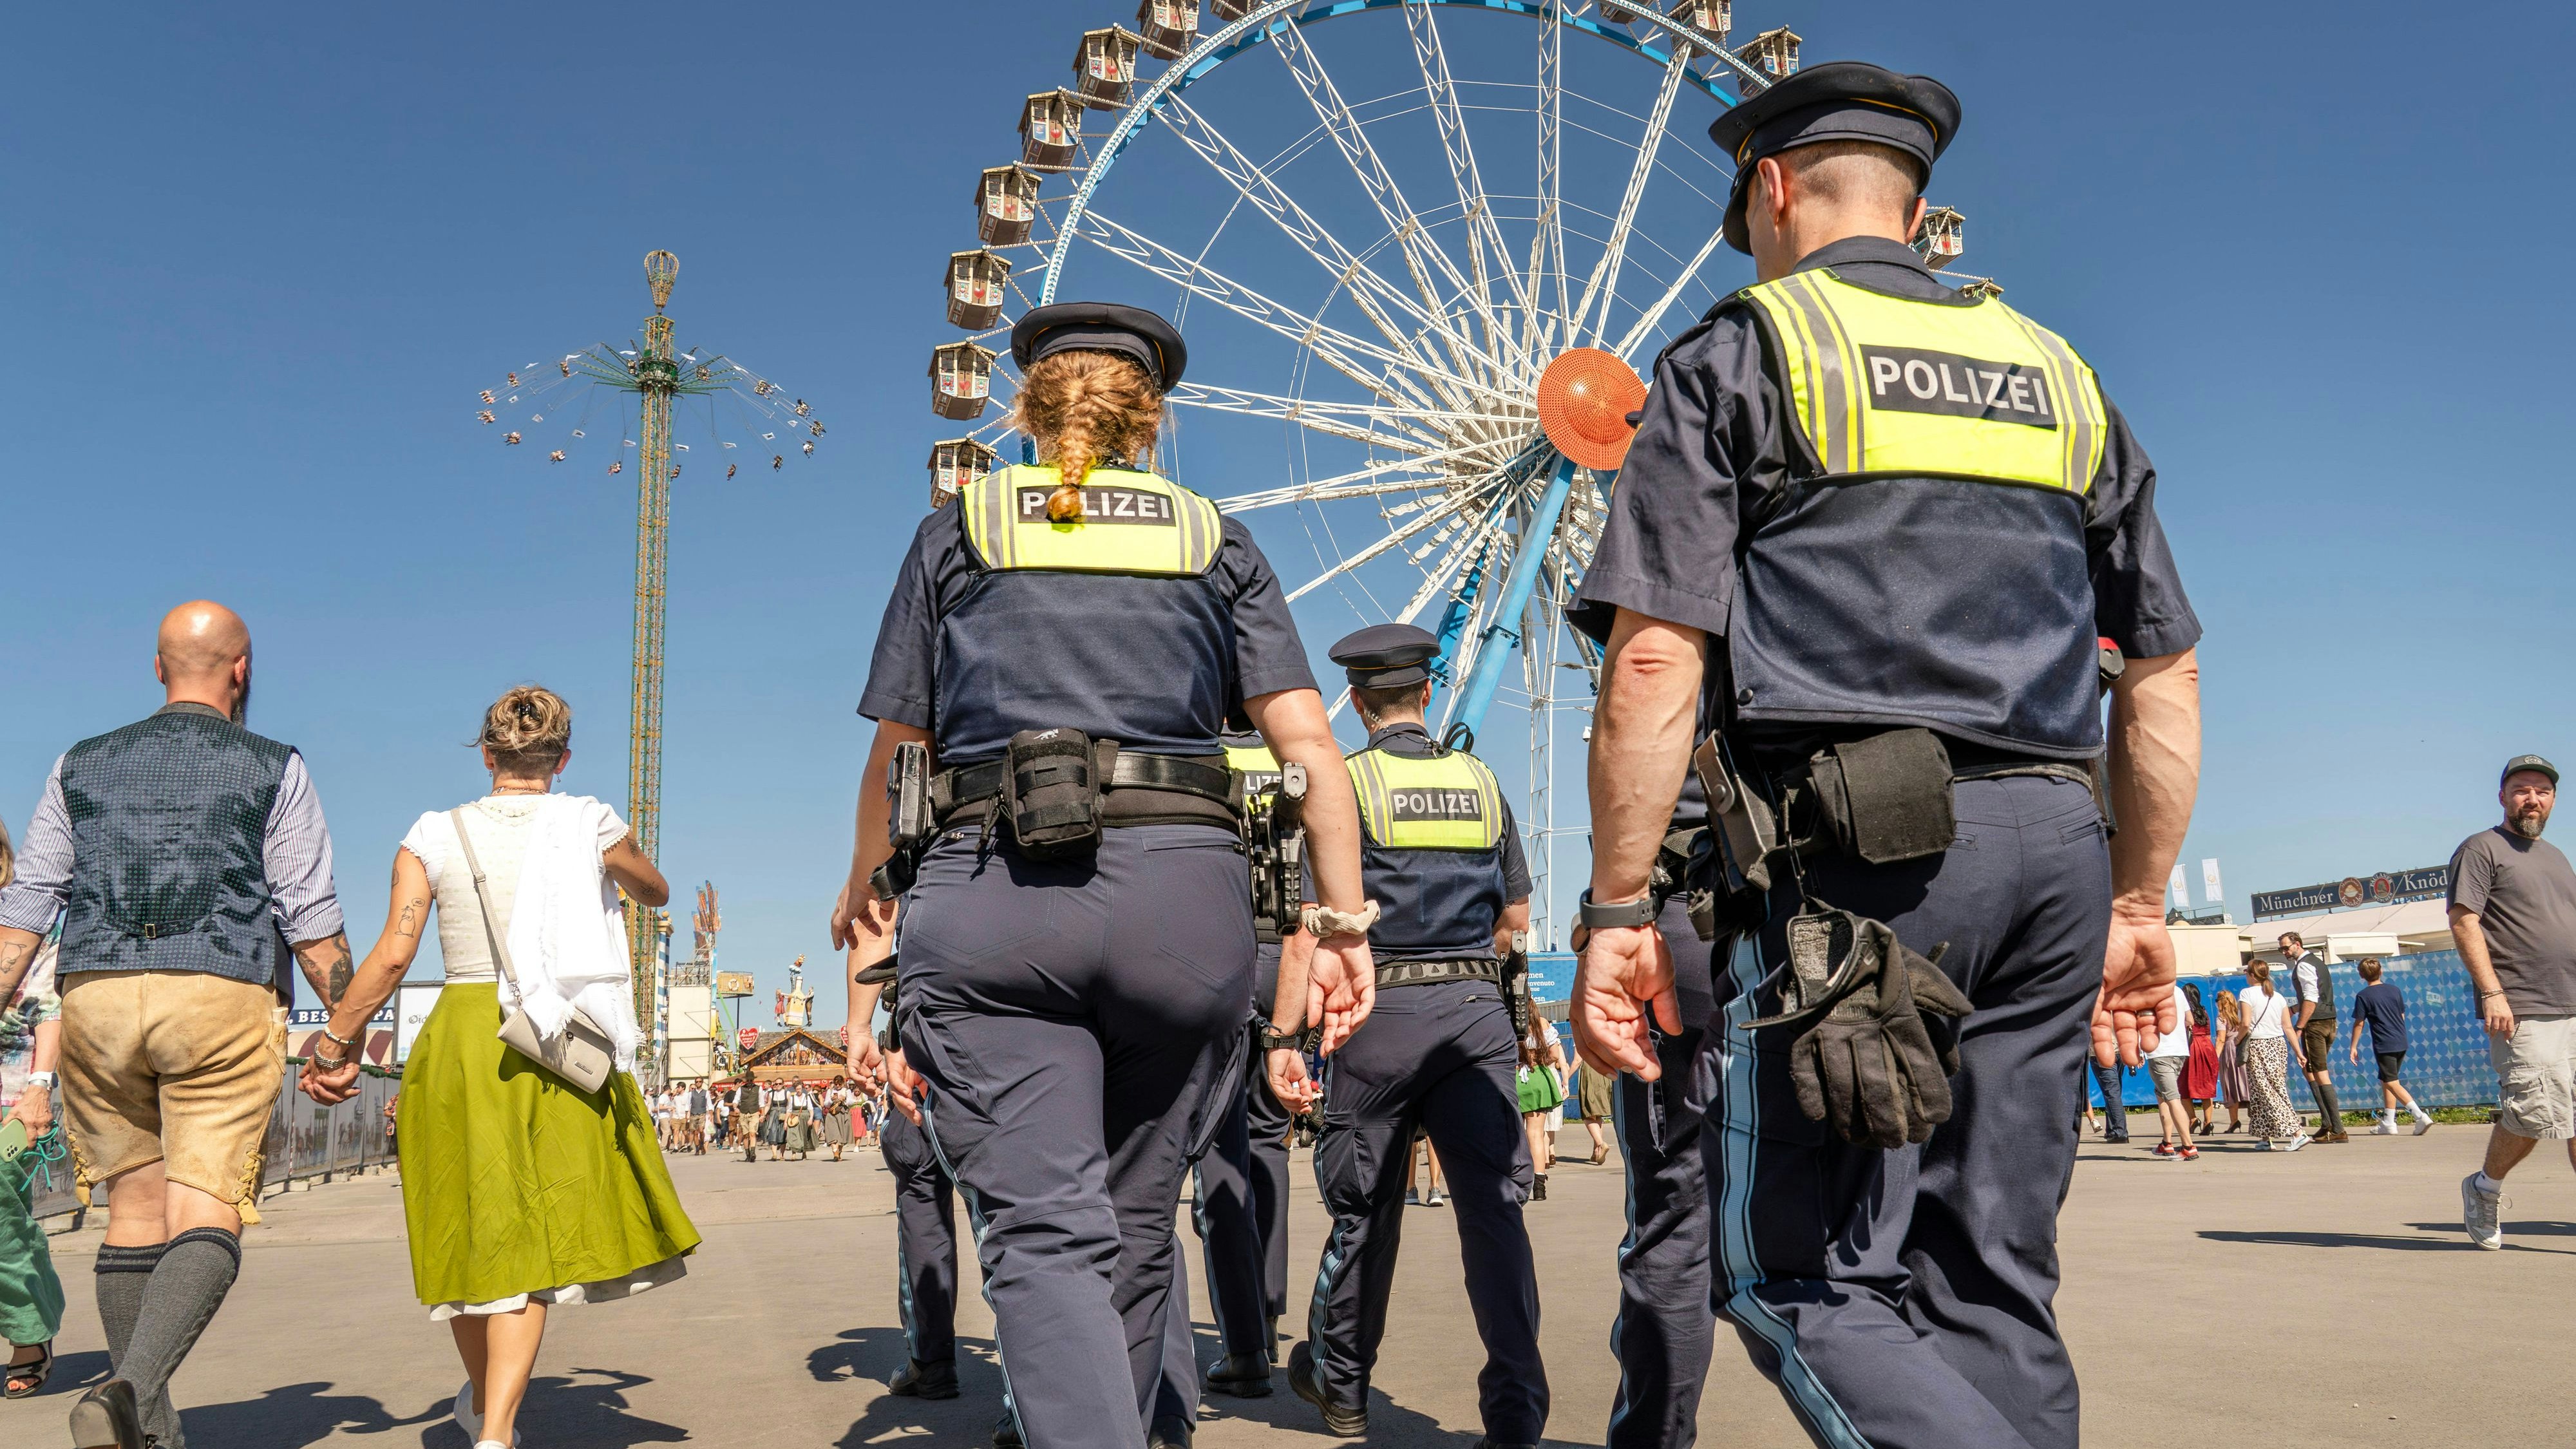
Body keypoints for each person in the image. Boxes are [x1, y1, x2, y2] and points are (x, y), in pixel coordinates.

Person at [1564, 62, 2204, 1449]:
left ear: (1775, 188)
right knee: (1992, 1275)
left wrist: (1617, 908)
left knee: (1793, 1273)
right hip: (2053, 852)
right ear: (1914, 205)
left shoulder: (1744, 352)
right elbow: (2159, 675)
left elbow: (1657, 657)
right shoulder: (2058, 373)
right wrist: (2140, 902)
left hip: (1856, 869)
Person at [830, 300, 1371, 1449]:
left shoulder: (961, 527)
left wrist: (863, 875)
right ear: (1151, 420)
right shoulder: (1211, 537)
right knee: (1133, 1225)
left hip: (996, 895)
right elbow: (1311, 751)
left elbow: (897, 747)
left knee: (1043, 1233)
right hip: (1185, 900)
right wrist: (1342, 924)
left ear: (1027, 406)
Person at [296, 684, 701, 1449]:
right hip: (552, 1033)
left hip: (461, 1036)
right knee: (530, 1237)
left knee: (473, 1226)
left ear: (486, 755)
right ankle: (493, 1427)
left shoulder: (433, 833)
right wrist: (613, 866)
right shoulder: (592, 823)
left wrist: (334, 1043)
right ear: (564, 758)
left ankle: (492, 1413)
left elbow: (392, 954)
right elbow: (655, 890)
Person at [0, 601, 361, 1449]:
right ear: (242, 670)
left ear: (157, 668)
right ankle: (130, 1387)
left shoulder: (78, 764)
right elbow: (310, 917)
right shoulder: (276, 766)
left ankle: (149, 1434)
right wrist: (340, 1037)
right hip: (219, 993)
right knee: (208, 1209)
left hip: (95, 997)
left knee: (132, 1209)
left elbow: (27, 906)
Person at [1267, 623, 1546, 1446]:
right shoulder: (1484, 783)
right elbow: (1517, 920)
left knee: (1363, 1212)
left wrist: (1285, 1035)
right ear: (1428, 692)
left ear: (1354, 703)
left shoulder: (1341, 786)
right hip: (1473, 1016)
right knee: (1494, 1216)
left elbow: (1308, 925)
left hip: (1373, 1015)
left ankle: (1344, 1390)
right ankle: (1515, 1416)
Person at [1183, 724, 1305, 1396]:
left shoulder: (1197, 751)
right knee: (1269, 1145)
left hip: (1217, 956)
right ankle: (1266, 1307)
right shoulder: (1294, 758)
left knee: (1210, 1150)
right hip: (1285, 956)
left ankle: (1241, 1340)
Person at [2450, 755, 2576, 1248]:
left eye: (2542, 790)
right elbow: (2464, 920)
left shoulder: (2557, 857)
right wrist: (2492, 992)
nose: (2532, 798)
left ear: (2553, 800)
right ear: (2503, 797)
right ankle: (2485, 1188)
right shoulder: (2481, 849)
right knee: (2532, 1114)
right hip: (2524, 1005)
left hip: (2573, 1004)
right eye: (2522, 789)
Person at [2, 920, 65, 1401]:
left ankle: (29, 1331)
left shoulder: (30, 925)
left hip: (8, 1104)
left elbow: (47, 1009)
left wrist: (40, 1088)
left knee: (3, 1230)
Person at [2345, 959, 2431, 1135]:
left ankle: (2420, 1116)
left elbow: (2359, 1024)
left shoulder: (2363, 996)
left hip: (2385, 1044)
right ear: (2381, 971)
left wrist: (2353, 1046)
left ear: (2361, 975)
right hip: (2401, 1041)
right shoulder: (2395, 990)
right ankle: (2389, 1122)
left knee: (2392, 1082)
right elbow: (2402, 1016)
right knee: (2387, 1080)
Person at [2278, 932, 2347, 1143]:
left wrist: (2299, 1026)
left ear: (2297, 944)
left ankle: (2337, 1128)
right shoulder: (2316, 962)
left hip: (2316, 1024)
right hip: (2329, 1021)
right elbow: (2314, 996)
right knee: (2310, 1069)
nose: (2284, 952)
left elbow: (2311, 999)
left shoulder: (2304, 965)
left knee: (2319, 1072)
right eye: (2282, 949)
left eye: (2286, 948)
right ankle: (2328, 1123)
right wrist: (2293, 1008)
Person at [2238, 963, 2310, 1152]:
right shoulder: (2278, 997)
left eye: (2247, 972)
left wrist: (2237, 1039)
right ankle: (2265, 1137)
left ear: (2253, 975)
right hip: (2278, 1045)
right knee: (2263, 1091)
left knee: (2268, 1091)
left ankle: (2297, 1133)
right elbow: (2287, 1027)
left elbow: (2245, 1023)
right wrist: (2298, 1052)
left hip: (2258, 1045)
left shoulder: (2246, 994)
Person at [2146, 980, 2198, 1160]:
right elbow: (2190, 1020)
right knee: (2162, 1096)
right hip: (2180, 1051)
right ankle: (2167, 1143)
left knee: (2172, 1098)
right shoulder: (2177, 991)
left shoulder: (2149, 991)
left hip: (2160, 1052)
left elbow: (2143, 1024)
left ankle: (2188, 1146)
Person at [1517, 1020, 1566, 1200]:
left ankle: (1514, 1181)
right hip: (1537, 1077)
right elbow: (1554, 1054)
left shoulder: (1506, 1019)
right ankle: (1539, 1187)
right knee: (1536, 1135)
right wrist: (1537, 1062)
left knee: (1512, 1133)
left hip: (1514, 1076)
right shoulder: (1542, 1023)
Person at [2181, 983, 2219, 1135]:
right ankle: (2208, 1121)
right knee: (2207, 1087)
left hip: (2191, 1048)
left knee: (2183, 1086)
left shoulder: (2184, 1013)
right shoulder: (2203, 1012)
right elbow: (2209, 1033)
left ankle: (2192, 1118)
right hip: (2206, 1047)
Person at [2211, 989, 2249, 1134]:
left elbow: (2221, 1039)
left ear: (2221, 1002)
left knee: (2231, 1085)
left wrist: (2215, 1058)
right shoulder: (2241, 1015)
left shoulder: (2222, 1018)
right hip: (2243, 1049)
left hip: (2229, 1051)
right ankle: (2255, 1118)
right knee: (2247, 1082)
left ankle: (2234, 1121)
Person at [1574, 1059, 1616, 1168]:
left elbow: (1578, 1060)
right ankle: (1596, 1152)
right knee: (1597, 1114)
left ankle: (1601, 1144)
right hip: (1604, 1071)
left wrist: (1566, 1078)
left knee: (1588, 1113)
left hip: (1590, 1071)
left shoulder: (1584, 1040)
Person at [820, 1076, 855, 1160]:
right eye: (836, 1084)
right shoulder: (830, 1091)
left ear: (843, 1083)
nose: (838, 1085)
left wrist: (845, 1099)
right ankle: (835, 1154)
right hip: (832, 1115)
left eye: (840, 1084)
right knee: (833, 1134)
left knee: (842, 1136)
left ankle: (839, 1153)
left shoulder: (847, 1091)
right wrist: (831, 1100)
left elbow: (852, 1102)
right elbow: (826, 1104)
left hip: (843, 1114)